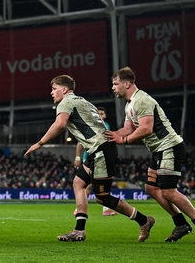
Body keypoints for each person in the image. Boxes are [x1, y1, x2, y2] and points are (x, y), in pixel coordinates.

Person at [24, 75, 154, 242]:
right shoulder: (83, 101)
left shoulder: (66, 102)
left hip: (101, 150)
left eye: (54, 89)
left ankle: (144, 221)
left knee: (102, 197)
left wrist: (39, 143)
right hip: (98, 150)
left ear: (64, 89)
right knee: (78, 183)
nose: (52, 92)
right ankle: (79, 230)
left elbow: (60, 124)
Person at [106, 67, 195, 242]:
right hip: (159, 149)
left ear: (127, 83)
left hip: (169, 146)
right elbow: (127, 129)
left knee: (169, 192)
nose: (113, 88)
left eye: (115, 84)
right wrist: (110, 135)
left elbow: (146, 128)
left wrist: (123, 141)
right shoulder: (129, 104)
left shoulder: (142, 100)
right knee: (151, 188)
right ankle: (181, 223)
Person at [74, 106, 116, 216]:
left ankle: (82, 209)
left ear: (105, 116)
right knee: (88, 185)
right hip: (91, 158)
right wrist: (78, 158)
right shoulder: (92, 125)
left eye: (102, 113)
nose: (100, 115)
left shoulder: (106, 126)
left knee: (92, 185)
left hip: (99, 158)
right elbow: (80, 142)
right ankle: (81, 210)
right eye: (99, 113)